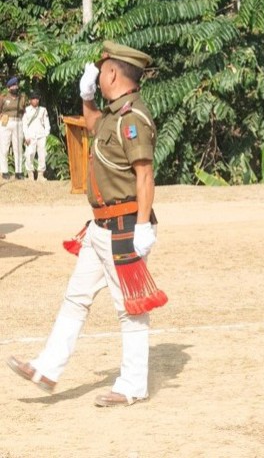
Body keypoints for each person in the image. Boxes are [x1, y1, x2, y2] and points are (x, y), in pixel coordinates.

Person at [7, 41, 166, 406]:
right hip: (99, 227)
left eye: (101, 70)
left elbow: (145, 175)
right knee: (76, 298)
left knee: (130, 308)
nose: (98, 73)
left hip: (125, 225)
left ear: (112, 72)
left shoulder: (133, 119)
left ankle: (133, 385)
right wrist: (88, 97)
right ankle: (47, 367)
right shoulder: (114, 114)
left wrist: (142, 227)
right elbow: (93, 125)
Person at [0, 76, 27, 179]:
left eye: (16, 85)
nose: (15, 87)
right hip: (5, 123)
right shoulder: (3, 97)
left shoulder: (22, 98)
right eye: (13, 86)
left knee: (18, 148)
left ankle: (18, 172)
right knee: (4, 147)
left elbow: (24, 111)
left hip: (18, 122)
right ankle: (5, 171)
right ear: (9, 88)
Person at [22, 89, 51, 182]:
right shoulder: (26, 110)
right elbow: (24, 124)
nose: (36, 100)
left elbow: (47, 123)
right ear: (30, 100)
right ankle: (30, 174)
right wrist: (26, 136)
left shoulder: (43, 110)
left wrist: (46, 134)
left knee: (42, 155)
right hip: (30, 136)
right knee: (29, 154)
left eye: (37, 98)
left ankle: (40, 175)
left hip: (41, 135)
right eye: (34, 98)